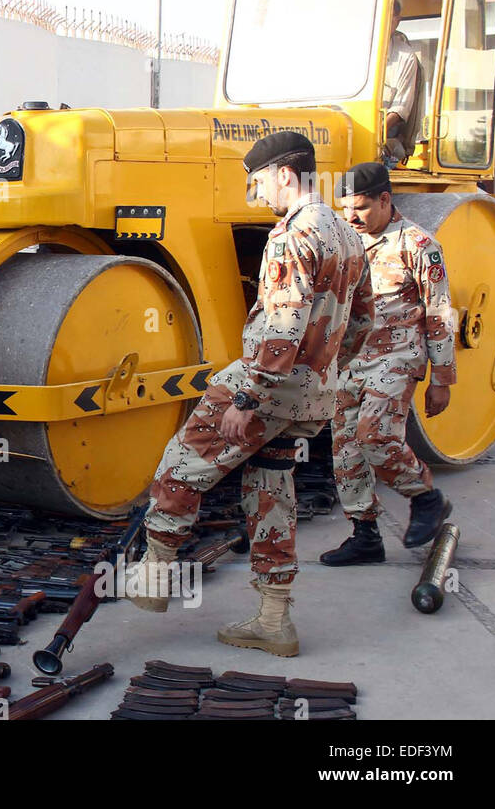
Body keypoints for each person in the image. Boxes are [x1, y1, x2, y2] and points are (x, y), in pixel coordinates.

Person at [127, 132, 373, 658]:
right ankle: (273, 619)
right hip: (314, 393)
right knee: (270, 491)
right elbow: (362, 320)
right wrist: (326, 373)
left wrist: (248, 399)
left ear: (285, 174)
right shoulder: (348, 235)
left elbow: (282, 328)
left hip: (269, 385)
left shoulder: (291, 237)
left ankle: (154, 572)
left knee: (182, 461)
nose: (256, 195)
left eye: (258, 181)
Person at [323, 162, 455, 565]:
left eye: (360, 208)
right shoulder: (347, 241)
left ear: (385, 200)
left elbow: (439, 313)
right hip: (348, 361)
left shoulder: (418, 245)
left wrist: (442, 378)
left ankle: (427, 498)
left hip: (396, 358)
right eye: (345, 208)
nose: (351, 217)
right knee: (346, 449)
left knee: (374, 436)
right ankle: (365, 536)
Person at [382, 0, 421, 166]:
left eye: (387, 15)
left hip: (386, 137)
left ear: (397, 21)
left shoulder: (406, 57)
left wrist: (373, 134)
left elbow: (400, 111)